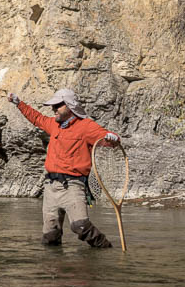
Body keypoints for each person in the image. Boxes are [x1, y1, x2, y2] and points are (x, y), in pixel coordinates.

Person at [7, 89, 119, 248]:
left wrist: (113, 139)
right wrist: (19, 103)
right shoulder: (53, 124)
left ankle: (106, 250)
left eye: (58, 105)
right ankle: (54, 268)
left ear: (70, 106)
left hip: (73, 185)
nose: (53, 109)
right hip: (50, 186)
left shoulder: (86, 126)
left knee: (80, 226)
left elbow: (107, 139)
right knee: (50, 236)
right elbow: (36, 118)